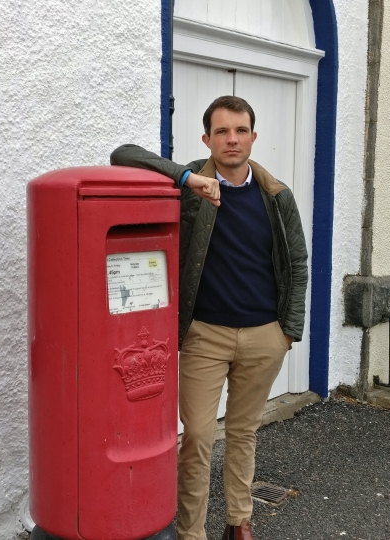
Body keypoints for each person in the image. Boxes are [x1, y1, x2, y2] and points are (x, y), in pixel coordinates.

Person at [110, 96, 308, 540]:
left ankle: (239, 521)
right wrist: (186, 177)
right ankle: (191, 532)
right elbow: (123, 155)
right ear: (207, 139)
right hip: (204, 336)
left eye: (240, 130)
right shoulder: (192, 188)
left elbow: (297, 262)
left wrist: (288, 331)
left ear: (254, 137)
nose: (232, 139)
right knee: (197, 437)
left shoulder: (276, 197)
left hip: (264, 336)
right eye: (222, 131)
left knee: (243, 432)